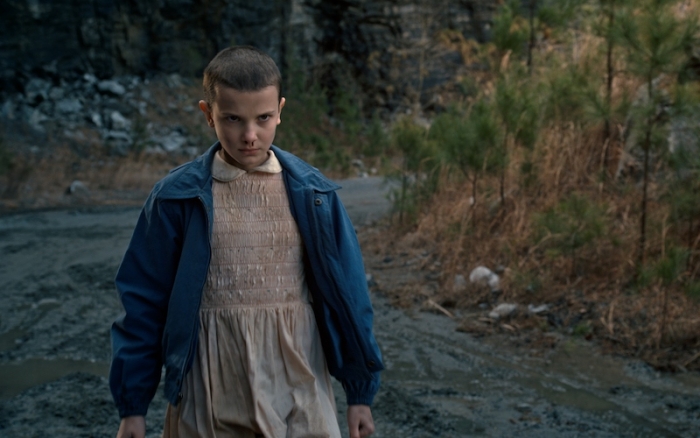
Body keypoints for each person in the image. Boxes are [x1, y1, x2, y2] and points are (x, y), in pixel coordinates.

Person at [110, 45, 383, 438]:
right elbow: (143, 303)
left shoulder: (314, 194)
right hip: (211, 384)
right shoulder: (176, 198)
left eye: (263, 118)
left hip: (300, 381)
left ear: (280, 110)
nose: (250, 135)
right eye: (233, 119)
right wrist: (133, 407)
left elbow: (351, 295)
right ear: (208, 114)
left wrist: (359, 392)